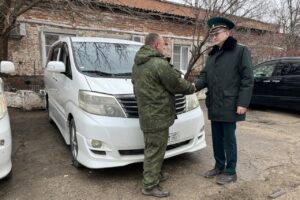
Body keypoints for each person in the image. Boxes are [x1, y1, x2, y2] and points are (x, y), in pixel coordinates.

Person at [132, 33, 196, 197]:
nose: (165, 47)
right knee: (155, 150)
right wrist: (192, 88)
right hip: (157, 115)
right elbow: (176, 84)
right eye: (163, 45)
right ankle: (150, 185)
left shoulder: (138, 64)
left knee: (152, 148)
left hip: (147, 114)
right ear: (156, 46)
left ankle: (155, 174)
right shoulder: (158, 64)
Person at [194, 16, 254, 185]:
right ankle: (219, 166)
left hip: (230, 104)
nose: (213, 37)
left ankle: (230, 171)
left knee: (228, 139)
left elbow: (247, 78)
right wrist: (192, 87)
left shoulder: (240, 51)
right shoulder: (213, 54)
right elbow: (204, 76)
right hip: (214, 103)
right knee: (217, 138)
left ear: (228, 32)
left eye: (217, 33)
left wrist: (243, 103)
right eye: (212, 34)